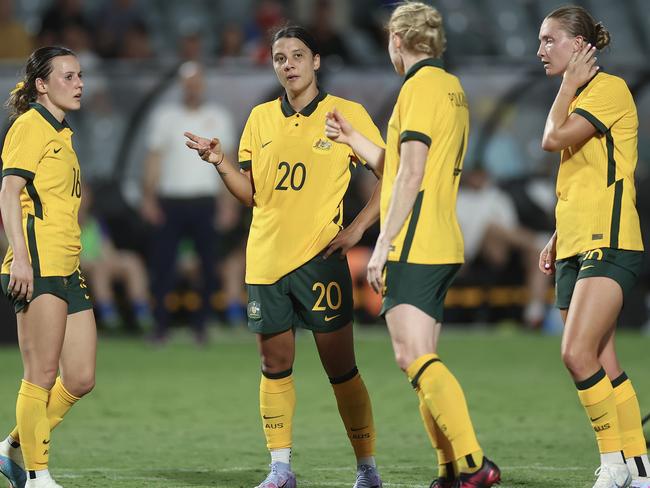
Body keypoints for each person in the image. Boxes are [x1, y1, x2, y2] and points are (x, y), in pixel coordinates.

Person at [185, 25, 385, 488]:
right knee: (274, 367)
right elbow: (251, 195)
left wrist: (356, 228)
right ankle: (280, 467)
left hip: (321, 260)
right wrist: (220, 164)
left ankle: (367, 468)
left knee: (342, 369)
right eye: (280, 58)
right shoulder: (259, 118)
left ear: (316, 61)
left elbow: (388, 170)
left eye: (298, 55)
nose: (288, 64)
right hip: (266, 260)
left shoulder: (345, 115)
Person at [325, 3, 501, 487]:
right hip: (443, 237)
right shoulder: (451, 87)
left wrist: (381, 245)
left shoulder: (416, 88)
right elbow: (400, 164)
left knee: (412, 356)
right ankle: (448, 471)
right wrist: (353, 138)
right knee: (419, 359)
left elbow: (412, 174)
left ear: (397, 41)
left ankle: (472, 463)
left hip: (415, 240)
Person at [537, 5, 650, 488]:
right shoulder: (582, 95)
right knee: (603, 360)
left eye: (549, 40)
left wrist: (565, 87)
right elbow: (586, 176)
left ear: (580, 46)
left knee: (576, 354)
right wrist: (559, 235)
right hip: (577, 242)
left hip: (611, 241)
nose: (540, 49)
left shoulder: (608, 90)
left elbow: (551, 138)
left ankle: (614, 464)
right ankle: (640, 467)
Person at [0, 46, 96, 488]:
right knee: (39, 374)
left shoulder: (64, 134)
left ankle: (12, 447)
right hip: (35, 263)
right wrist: (19, 256)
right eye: (69, 76)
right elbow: (8, 191)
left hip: (67, 266)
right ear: (42, 84)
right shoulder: (30, 125)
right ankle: (38, 477)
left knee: (79, 378)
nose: (79, 83)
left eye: (80, 76)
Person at [141, 61, 235, 344]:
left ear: (203, 84)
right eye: (188, 82)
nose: (192, 87)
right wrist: (148, 197)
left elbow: (225, 160)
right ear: (181, 85)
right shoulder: (166, 117)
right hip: (171, 200)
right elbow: (154, 160)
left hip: (204, 201)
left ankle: (201, 325)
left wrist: (228, 203)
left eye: (197, 81)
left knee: (207, 266)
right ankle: (160, 327)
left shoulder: (218, 117)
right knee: (163, 266)